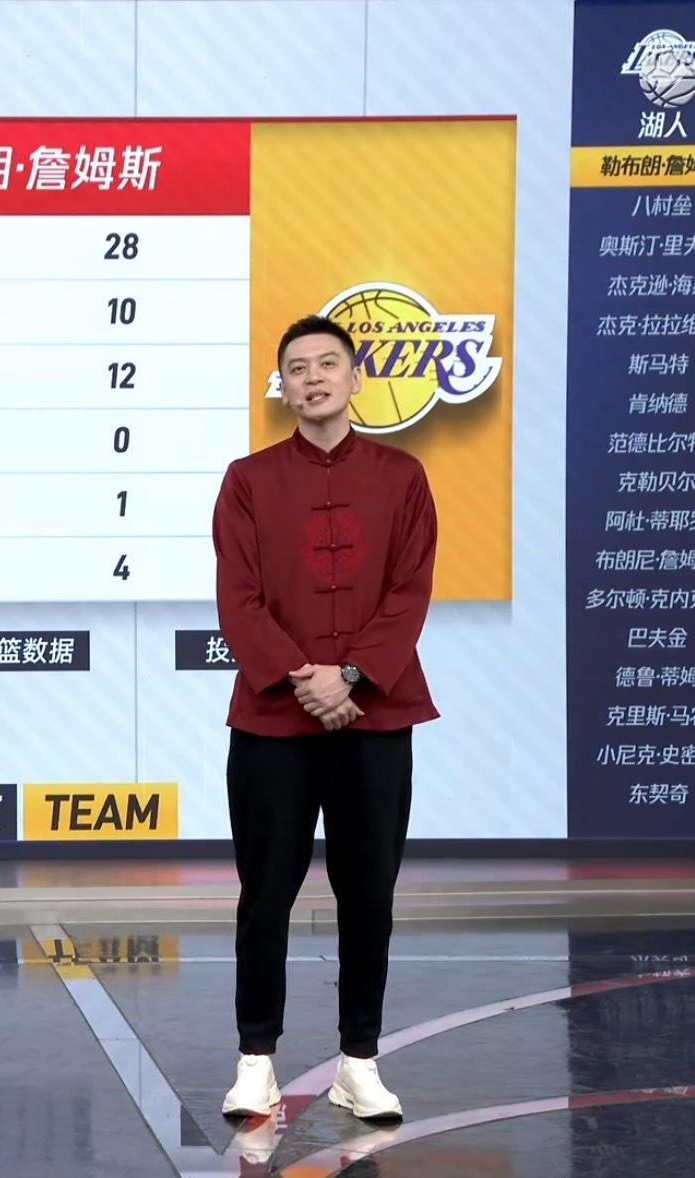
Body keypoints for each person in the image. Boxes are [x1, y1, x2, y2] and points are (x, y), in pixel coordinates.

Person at [211, 315, 439, 1122]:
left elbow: (409, 591)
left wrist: (349, 676)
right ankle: (255, 1060)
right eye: (297, 368)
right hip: (273, 720)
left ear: (354, 378)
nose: (312, 378)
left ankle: (359, 1062)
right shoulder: (247, 480)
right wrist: (302, 677)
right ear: (282, 387)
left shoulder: (402, 476)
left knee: (368, 894)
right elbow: (237, 597)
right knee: (263, 894)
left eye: (327, 364)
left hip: (376, 714)